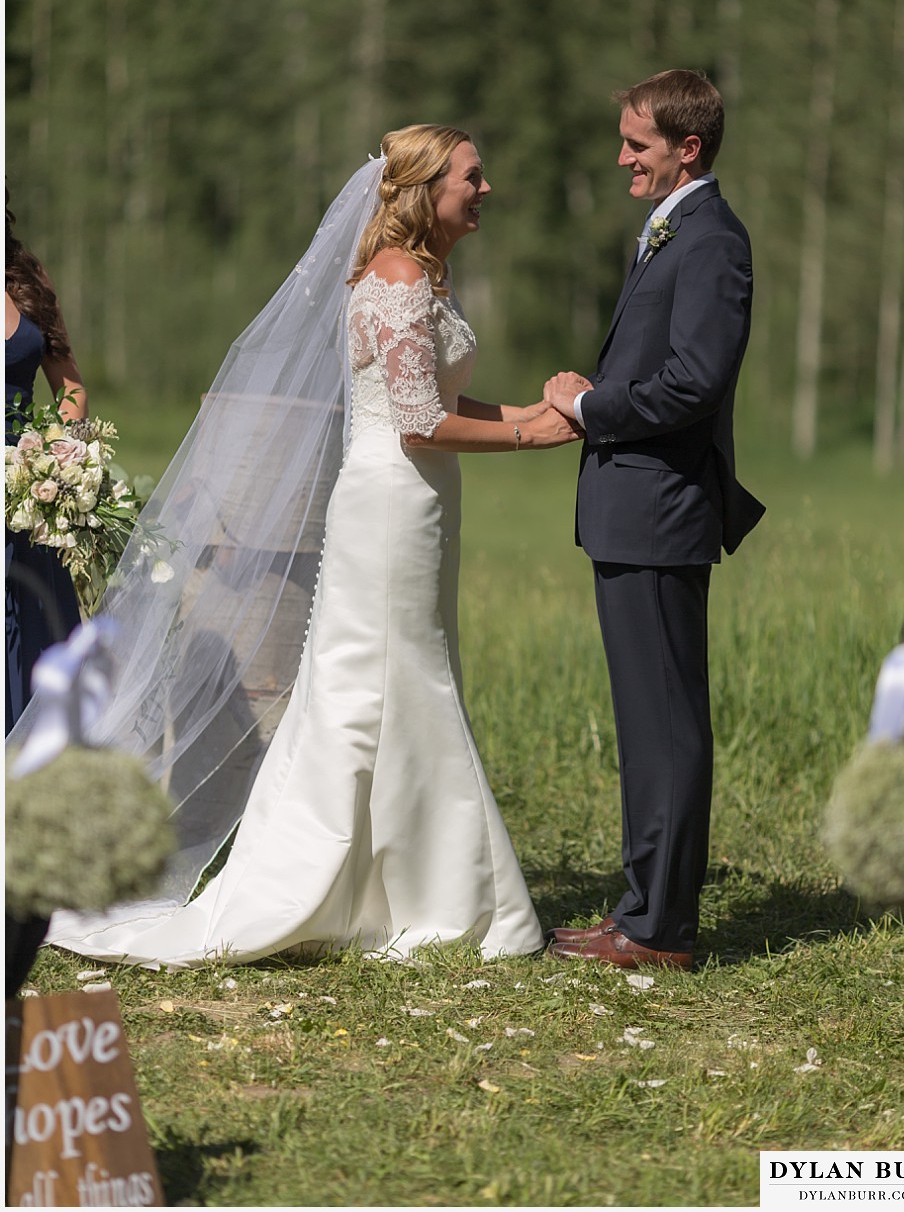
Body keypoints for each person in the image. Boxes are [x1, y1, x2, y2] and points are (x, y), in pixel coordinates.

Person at [28, 124, 581, 967]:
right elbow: (419, 420)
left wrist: (546, 418)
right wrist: (535, 436)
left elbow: (439, 399)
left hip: (421, 500)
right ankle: (447, 895)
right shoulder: (395, 277)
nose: (487, 188)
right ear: (428, 190)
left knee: (392, 679)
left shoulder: (423, 276)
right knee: (401, 678)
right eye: (474, 176)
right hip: (391, 503)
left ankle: (389, 884)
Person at [543, 70, 764, 971]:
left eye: (638, 144)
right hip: (631, 508)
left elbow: (695, 380)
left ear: (689, 148)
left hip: (661, 507)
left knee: (666, 719)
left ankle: (659, 928)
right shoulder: (675, 228)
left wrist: (595, 408)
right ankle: (644, 907)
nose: (623, 156)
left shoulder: (713, 241)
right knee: (644, 720)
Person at [5, 197, 88, 733]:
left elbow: (70, 386)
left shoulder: (27, 279)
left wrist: (62, 448)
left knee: (36, 639)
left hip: (27, 492)